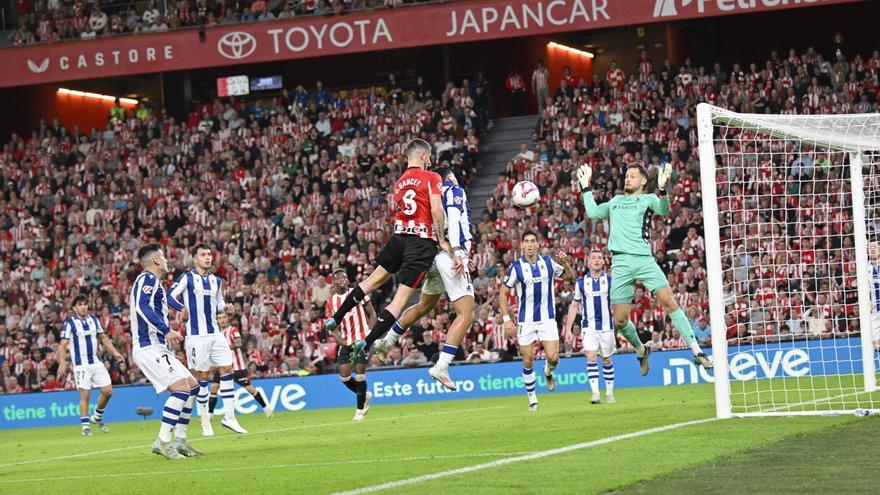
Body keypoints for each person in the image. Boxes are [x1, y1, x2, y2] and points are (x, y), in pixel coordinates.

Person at [577, 162, 713, 374]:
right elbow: (593, 212)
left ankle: (697, 351)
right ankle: (641, 350)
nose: (627, 178)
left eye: (632, 176)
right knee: (620, 320)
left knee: (669, 301)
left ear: (642, 181)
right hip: (620, 263)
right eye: (626, 175)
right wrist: (585, 187)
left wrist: (662, 190)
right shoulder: (616, 201)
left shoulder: (649, 198)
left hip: (643, 259)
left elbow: (664, 210)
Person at [324, 139, 451, 362]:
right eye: (429, 157)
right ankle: (368, 342)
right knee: (399, 301)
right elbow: (436, 210)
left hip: (398, 237)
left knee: (368, 283)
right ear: (422, 155)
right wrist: (442, 240)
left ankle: (336, 317)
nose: (430, 161)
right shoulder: (432, 177)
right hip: (420, 242)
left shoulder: (400, 183)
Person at [376, 167, 476, 390]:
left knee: (424, 305)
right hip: (450, 254)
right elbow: (453, 217)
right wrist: (458, 252)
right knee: (466, 313)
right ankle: (442, 366)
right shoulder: (454, 189)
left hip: (429, 253)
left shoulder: (426, 195)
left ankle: (386, 342)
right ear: (450, 176)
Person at [130, 244, 203, 460]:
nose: (167, 260)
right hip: (148, 346)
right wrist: (166, 330)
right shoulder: (146, 280)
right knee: (180, 390)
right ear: (155, 261)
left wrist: (181, 307)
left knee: (193, 386)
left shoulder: (156, 284)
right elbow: (141, 307)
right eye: (163, 257)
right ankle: (162, 441)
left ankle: (180, 440)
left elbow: (165, 299)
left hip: (157, 346)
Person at [168, 243, 247, 436]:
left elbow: (218, 303)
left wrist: (226, 307)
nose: (207, 257)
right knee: (203, 378)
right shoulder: (187, 278)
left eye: (209, 254)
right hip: (196, 336)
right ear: (195, 259)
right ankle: (205, 421)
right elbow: (170, 296)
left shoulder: (215, 281)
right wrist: (181, 309)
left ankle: (229, 417)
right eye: (203, 255)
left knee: (227, 369)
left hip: (215, 334)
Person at [499, 232, 575, 411]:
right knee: (528, 360)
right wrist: (506, 319)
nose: (530, 244)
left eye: (533, 241)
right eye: (526, 241)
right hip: (526, 321)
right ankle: (533, 400)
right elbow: (503, 294)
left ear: (538, 245)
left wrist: (565, 263)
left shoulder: (548, 263)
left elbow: (569, 277)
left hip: (547, 319)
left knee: (553, 358)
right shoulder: (515, 268)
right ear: (522, 246)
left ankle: (548, 371)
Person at [57, 293, 125, 435]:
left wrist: (115, 353)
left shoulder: (94, 320)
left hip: (96, 362)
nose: (83, 307)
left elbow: (103, 337)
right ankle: (85, 427)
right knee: (85, 395)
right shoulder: (69, 323)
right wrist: (62, 363)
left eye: (85, 304)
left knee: (108, 391)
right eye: (80, 304)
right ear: (74, 308)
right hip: (81, 365)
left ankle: (97, 416)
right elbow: (63, 345)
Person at [563, 249, 616, 405]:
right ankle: (595, 393)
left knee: (606, 359)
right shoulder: (581, 282)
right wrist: (568, 329)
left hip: (607, 327)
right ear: (588, 262)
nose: (597, 260)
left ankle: (610, 393)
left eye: (599, 257)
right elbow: (573, 306)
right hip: (589, 327)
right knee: (591, 357)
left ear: (603, 261)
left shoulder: (611, 281)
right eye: (594, 258)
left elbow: (619, 302)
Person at [326, 268, 375, 421]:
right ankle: (364, 395)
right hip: (346, 340)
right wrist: (337, 337)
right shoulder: (331, 301)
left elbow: (371, 313)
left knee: (360, 373)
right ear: (334, 282)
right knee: (345, 377)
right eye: (339, 278)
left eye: (344, 277)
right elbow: (331, 324)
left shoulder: (358, 293)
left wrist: (370, 335)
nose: (343, 280)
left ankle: (359, 411)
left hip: (362, 338)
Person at [208, 311, 273, 419]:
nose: (222, 320)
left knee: (249, 389)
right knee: (214, 387)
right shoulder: (216, 334)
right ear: (217, 320)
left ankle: (266, 408)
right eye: (220, 318)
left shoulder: (233, 330)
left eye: (224, 317)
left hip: (237, 367)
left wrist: (225, 348)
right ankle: (209, 415)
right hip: (222, 367)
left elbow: (238, 343)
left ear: (227, 318)